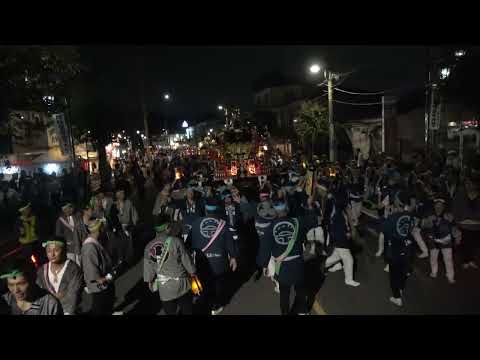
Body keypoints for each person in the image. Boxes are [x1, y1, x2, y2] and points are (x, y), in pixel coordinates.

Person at [262, 192, 312, 315]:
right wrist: (310, 206)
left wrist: (264, 265)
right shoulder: (298, 222)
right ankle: (302, 311)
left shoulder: (270, 226)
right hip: (297, 264)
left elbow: (265, 248)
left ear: (275, 211)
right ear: (287, 208)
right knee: (300, 289)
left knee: (284, 294)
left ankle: (285, 313)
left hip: (282, 266)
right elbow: (314, 220)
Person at [190, 197, 238, 315]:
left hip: (202, 261)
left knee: (204, 282)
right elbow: (230, 243)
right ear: (216, 210)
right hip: (219, 262)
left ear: (206, 210)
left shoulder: (196, 223)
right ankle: (215, 306)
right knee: (218, 285)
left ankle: (204, 302)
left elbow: (189, 243)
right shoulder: (223, 224)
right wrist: (233, 257)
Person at [143, 216, 196, 315]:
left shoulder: (148, 247)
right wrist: (193, 273)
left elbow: (148, 274)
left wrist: (150, 282)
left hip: (165, 288)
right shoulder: (176, 241)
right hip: (182, 284)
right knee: (187, 310)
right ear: (167, 227)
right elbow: (187, 262)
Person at [382, 191, 415, 307]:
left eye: (395, 198)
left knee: (394, 274)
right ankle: (400, 289)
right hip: (408, 248)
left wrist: (389, 215)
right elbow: (412, 227)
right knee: (403, 272)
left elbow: (384, 230)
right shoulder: (410, 215)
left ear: (398, 201)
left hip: (395, 249)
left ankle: (397, 297)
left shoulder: (393, 217)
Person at [36, 237, 83, 314]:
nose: (52, 254)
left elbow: (73, 295)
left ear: (64, 250)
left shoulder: (73, 269)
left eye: (56, 250)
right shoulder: (42, 270)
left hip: (67, 310)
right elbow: (38, 292)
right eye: (49, 251)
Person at [324, 189, 361, 287]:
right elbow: (336, 228)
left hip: (339, 238)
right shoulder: (337, 214)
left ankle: (319, 267)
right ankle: (348, 279)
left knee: (335, 257)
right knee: (348, 259)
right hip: (340, 239)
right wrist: (346, 234)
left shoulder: (338, 210)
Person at [81, 219, 115, 315]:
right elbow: (91, 267)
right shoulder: (89, 247)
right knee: (100, 307)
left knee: (105, 305)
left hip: (103, 281)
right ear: (99, 230)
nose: (104, 230)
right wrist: (100, 279)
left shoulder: (95, 242)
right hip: (99, 285)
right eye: (103, 228)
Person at [422, 198, 457, 284]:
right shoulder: (429, 214)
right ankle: (434, 272)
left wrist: (455, 233)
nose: (438, 207)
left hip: (446, 241)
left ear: (444, 206)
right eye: (437, 205)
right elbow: (422, 225)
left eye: (440, 206)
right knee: (433, 258)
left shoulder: (448, 215)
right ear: (434, 206)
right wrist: (428, 221)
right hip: (433, 240)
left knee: (448, 259)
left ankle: (450, 276)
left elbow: (454, 226)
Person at [453, 176, 480, 269]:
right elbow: (455, 210)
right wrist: (458, 221)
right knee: (464, 241)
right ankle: (466, 260)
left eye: (470, 183)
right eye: (466, 183)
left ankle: (470, 260)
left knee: (473, 243)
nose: (468, 185)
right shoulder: (460, 195)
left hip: (476, 226)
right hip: (462, 225)